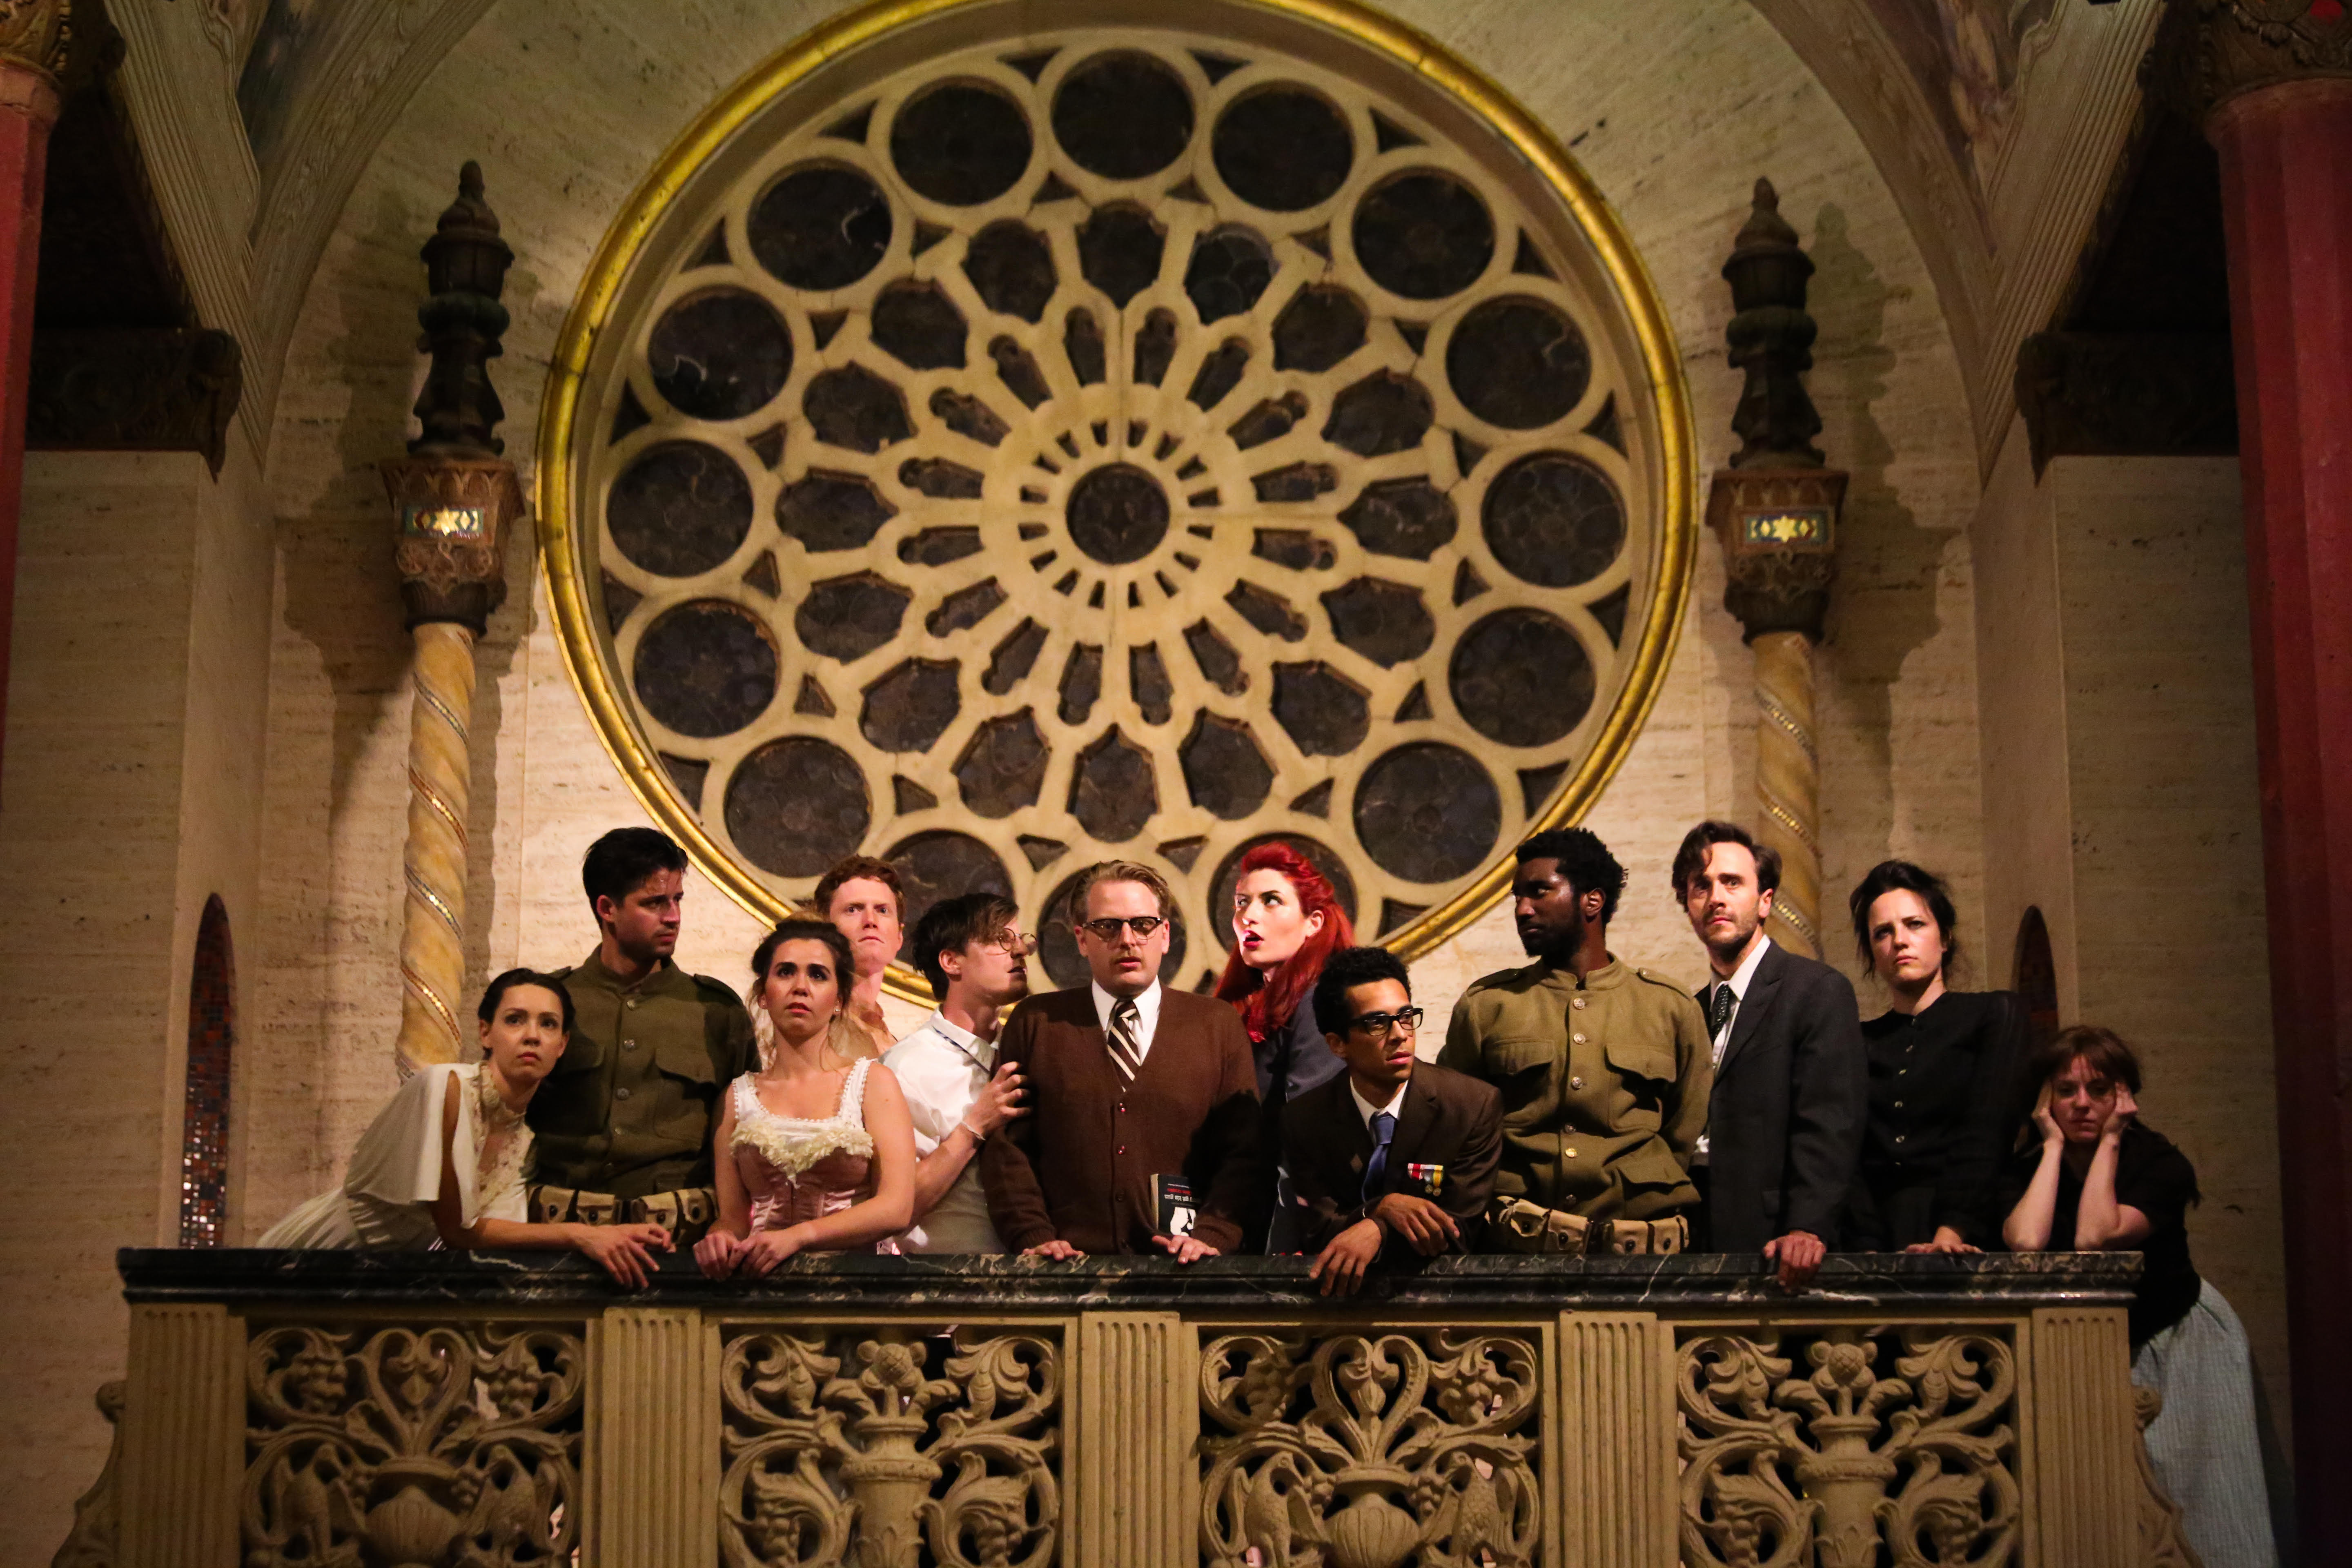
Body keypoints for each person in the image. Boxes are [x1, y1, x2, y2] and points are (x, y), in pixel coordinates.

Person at [2000, 1027, 2278, 1568]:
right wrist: (2052, 1147)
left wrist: (2110, 1141)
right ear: (2045, 1101)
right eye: (2066, 1090)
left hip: (2174, 1335)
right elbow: (2027, 1241)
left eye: (2099, 1089)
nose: (2082, 1103)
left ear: (2124, 1095)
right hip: (2080, 1343)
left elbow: (2095, 1238)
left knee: (2199, 1489)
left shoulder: (2158, 1162)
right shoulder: (2028, 1167)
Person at [261, 970, 676, 1285]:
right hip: (320, 1254)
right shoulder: (445, 1087)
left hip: (389, 1279)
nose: (532, 1036)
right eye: (515, 1020)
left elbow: (500, 1236)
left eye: (548, 1024)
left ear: (562, 1045)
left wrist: (610, 1234)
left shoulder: (525, 1141)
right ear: (486, 1032)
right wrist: (583, 1236)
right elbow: (458, 1231)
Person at [1439, 828, 1711, 1256]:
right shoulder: (1488, 1006)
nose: (1522, 909)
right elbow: (1453, 1125)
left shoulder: (1670, 1007)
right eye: (1517, 897)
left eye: (1539, 892)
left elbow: (1684, 1129)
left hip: (1639, 1253)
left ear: (1592, 901)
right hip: (1517, 1250)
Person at [981, 861, 1261, 1261]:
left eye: (1143, 925)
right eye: (1108, 927)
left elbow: (1244, 1152)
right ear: (1082, 939)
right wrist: (1032, 1235)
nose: (1128, 940)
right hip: (1062, 1270)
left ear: (1165, 935)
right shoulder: (1037, 1022)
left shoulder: (1216, 1024)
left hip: (1189, 1270)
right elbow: (1008, 1148)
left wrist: (1213, 1235)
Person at [526, 828, 758, 1244]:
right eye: (654, 903)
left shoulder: (715, 1010)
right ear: (607, 909)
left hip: (679, 1245)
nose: (673, 917)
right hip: (561, 1241)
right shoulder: (550, 1003)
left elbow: (748, 1133)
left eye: (677, 900)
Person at [1673, 820, 1865, 1289]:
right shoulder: (1690, 1010)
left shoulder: (1815, 991)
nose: (1716, 898)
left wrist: (1808, 1225)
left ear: (1764, 901)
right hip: (1694, 1232)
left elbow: (1830, 1120)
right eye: (1701, 886)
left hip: (1775, 1237)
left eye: (1732, 882)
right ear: (1688, 906)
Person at [694, 921, 919, 1275]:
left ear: (839, 1000)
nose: (800, 987)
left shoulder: (873, 1083)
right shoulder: (737, 1096)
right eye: (786, 972)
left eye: (817, 975)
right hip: (760, 1284)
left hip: (852, 1286)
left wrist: (800, 1237)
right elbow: (734, 1219)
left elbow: (896, 1208)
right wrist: (719, 1238)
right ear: (764, 994)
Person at [1284, 947, 1501, 1296]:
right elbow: (1317, 1232)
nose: (1400, 1034)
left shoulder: (1470, 1106)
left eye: (1406, 1016)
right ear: (1338, 1045)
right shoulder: (1306, 1118)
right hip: (1336, 1302)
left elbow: (1457, 1231)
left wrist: (1378, 1226)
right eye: (1377, 1023)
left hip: (1444, 1299)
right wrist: (1383, 1208)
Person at [1845, 860, 2030, 1253]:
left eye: (1915, 924)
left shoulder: (1994, 1014)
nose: (1899, 941)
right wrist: (1867, 1248)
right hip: (1875, 1237)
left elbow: (1988, 1131)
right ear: (1873, 952)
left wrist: (1951, 1233)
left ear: (1944, 938)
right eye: (1883, 932)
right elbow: (1847, 1153)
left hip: (1973, 1229)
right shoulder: (1857, 1041)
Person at [1212, 842, 1355, 1250]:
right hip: (1239, 1216)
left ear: (1313, 923)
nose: (1248, 915)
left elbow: (1307, 1132)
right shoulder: (1246, 1007)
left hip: (1289, 1231)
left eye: (1271, 900)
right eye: (1242, 902)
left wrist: (1286, 1244)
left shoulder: (1321, 999)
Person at [883, 893, 1033, 1253]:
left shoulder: (1028, 1050)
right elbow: (895, 1208)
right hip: (944, 1276)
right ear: (951, 961)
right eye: (1001, 939)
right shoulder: (906, 1067)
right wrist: (975, 1126)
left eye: (1021, 939)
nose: (1020, 951)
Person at [815, 854, 906, 1058]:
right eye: (853, 910)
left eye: (882, 910)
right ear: (824, 929)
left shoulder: (895, 1042)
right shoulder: (812, 1028)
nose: (870, 921)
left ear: (900, 936)